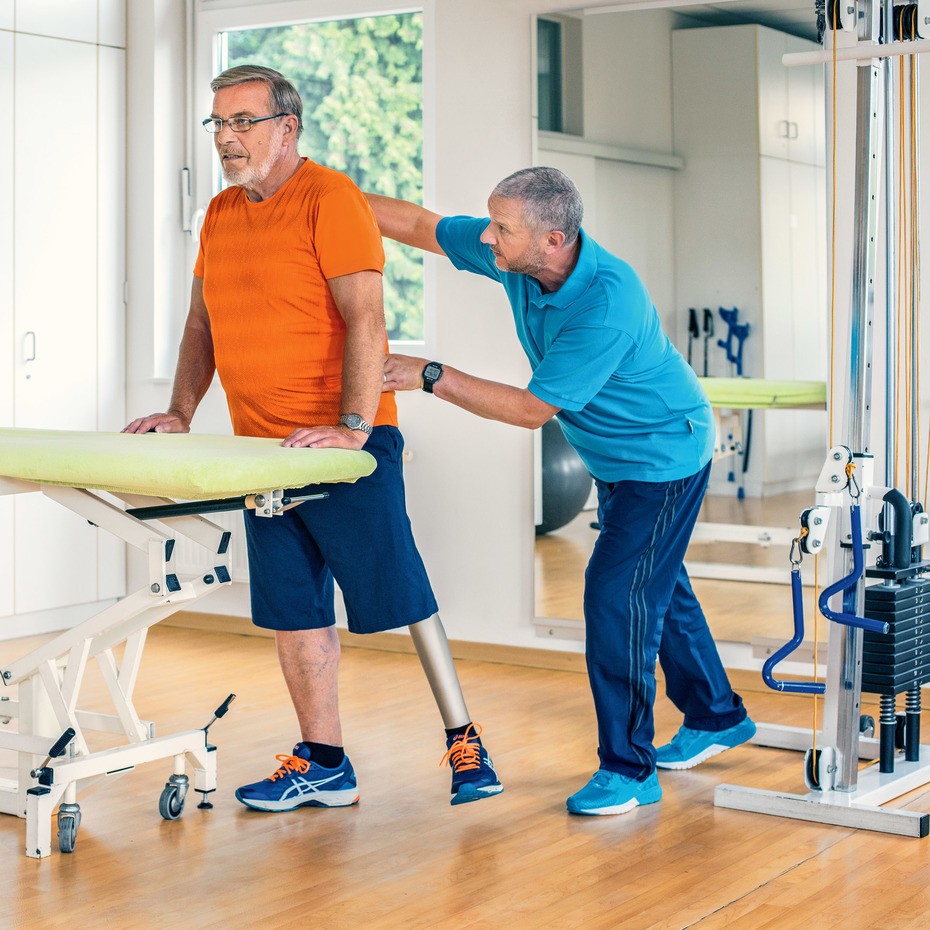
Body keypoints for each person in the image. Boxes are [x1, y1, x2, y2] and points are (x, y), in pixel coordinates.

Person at [123, 65, 502, 811]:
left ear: (286, 128)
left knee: (401, 593)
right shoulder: (222, 214)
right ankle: (324, 760)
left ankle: (463, 738)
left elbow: (365, 317)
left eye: (242, 122)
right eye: (218, 124)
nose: (227, 138)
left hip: (346, 448)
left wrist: (354, 428)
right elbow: (203, 324)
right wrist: (181, 410)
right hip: (263, 455)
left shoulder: (331, 199)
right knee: (294, 611)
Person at [367, 167, 755, 816]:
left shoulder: (607, 301)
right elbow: (417, 225)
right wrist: (320, 192)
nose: (488, 237)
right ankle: (717, 715)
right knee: (656, 586)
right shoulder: (517, 257)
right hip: (615, 456)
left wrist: (428, 373)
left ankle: (629, 769)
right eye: (490, 222)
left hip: (662, 456)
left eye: (503, 229)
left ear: (552, 240)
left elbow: (529, 410)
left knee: (616, 596)